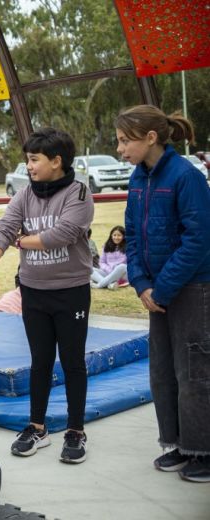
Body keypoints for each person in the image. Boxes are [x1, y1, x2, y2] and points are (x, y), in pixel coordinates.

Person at [0, 128, 94, 464]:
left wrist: (23, 240)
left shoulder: (79, 193)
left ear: (56, 161)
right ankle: (37, 426)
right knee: (40, 361)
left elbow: (64, 234)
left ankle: (75, 430)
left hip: (71, 292)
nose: (27, 165)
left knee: (73, 362)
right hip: (34, 292)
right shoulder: (25, 195)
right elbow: (4, 228)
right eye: (27, 159)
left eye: (34, 159)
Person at [116, 105, 210, 483]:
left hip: (190, 289)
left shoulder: (186, 176)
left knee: (194, 371)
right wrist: (141, 284)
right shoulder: (138, 179)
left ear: (150, 138)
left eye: (125, 140)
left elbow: (199, 239)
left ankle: (202, 449)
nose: (120, 148)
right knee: (163, 371)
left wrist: (164, 287)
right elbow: (132, 235)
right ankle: (176, 443)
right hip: (156, 293)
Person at [91, 225, 127, 289]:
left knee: (122, 266)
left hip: (122, 274)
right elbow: (102, 262)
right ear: (111, 236)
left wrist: (115, 269)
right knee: (89, 269)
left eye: (119, 235)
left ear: (123, 236)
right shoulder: (106, 246)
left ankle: (99, 285)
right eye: (114, 235)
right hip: (108, 272)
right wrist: (109, 270)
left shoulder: (128, 247)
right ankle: (110, 285)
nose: (116, 237)